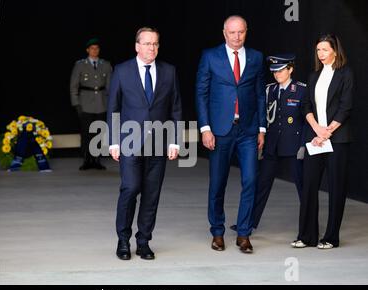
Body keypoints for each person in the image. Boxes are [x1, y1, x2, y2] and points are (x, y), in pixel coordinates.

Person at [107, 27, 182, 260]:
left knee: (152, 193)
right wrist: (113, 141)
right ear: (137, 46)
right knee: (130, 188)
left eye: (155, 44)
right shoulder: (122, 71)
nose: (152, 48)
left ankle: (143, 242)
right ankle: (123, 240)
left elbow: (176, 107)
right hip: (129, 142)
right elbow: (114, 108)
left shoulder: (169, 71)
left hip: (159, 143)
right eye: (147, 44)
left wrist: (175, 141)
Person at [196, 16, 266, 254]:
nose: (237, 37)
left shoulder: (256, 57)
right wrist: (205, 128)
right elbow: (201, 93)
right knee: (218, 183)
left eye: (241, 32)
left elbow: (259, 95)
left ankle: (244, 233)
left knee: (251, 181)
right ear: (224, 33)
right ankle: (217, 231)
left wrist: (262, 128)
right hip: (219, 131)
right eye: (232, 32)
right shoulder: (210, 56)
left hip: (247, 130)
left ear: (247, 32)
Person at [230, 54, 307, 232]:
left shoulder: (302, 90)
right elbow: (263, 116)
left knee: (303, 188)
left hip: (294, 145)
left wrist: (303, 145)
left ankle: (308, 228)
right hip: (272, 145)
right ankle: (248, 223)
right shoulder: (269, 90)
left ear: (291, 69)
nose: (277, 74)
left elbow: (305, 121)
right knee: (260, 185)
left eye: (280, 70)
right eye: (274, 71)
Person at [291, 34, 354, 250]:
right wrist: (316, 129)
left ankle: (331, 237)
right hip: (315, 138)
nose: (321, 54)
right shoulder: (314, 76)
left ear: (335, 51)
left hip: (337, 139)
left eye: (325, 50)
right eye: (318, 50)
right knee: (309, 185)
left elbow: (346, 106)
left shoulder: (346, 74)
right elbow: (305, 105)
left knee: (336, 188)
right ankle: (306, 236)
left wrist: (327, 132)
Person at [70, 38, 112, 170]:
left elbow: (110, 86)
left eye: (97, 48)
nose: (95, 51)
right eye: (92, 48)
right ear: (87, 50)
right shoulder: (80, 65)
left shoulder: (105, 64)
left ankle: (97, 159)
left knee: (99, 132)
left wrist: (111, 104)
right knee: (86, 132)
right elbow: (73, 86)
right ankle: (86, 159)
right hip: (85, 102)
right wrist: (76, 103)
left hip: (101, 102)